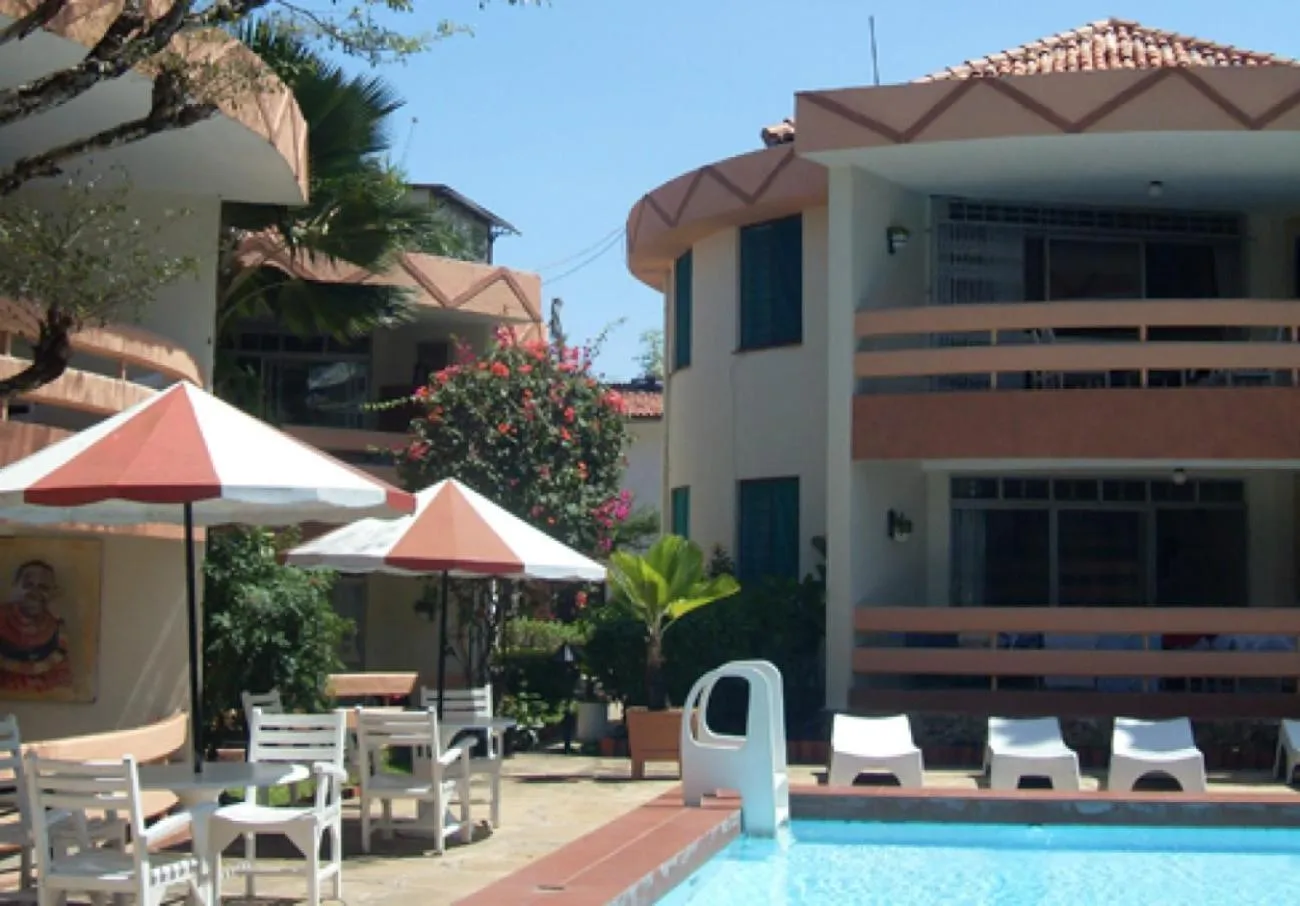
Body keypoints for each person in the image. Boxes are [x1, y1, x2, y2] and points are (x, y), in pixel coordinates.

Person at [0, 560, 72, 693]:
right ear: (15, 586)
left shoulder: (58, 630)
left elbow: (62, 681)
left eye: (43, 587)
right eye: (28, 585)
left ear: (52, 592)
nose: (34, 592)